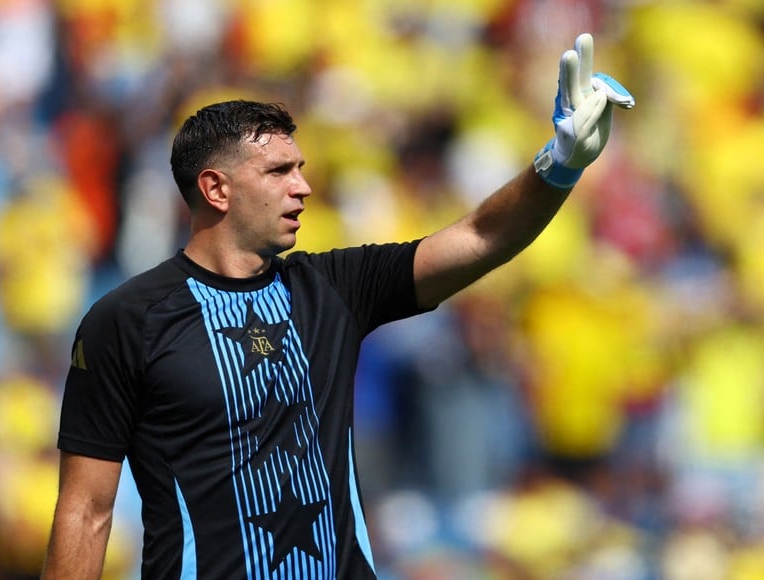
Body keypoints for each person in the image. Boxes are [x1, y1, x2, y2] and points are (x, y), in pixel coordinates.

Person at [42, 33, 633, 579]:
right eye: (279, 171)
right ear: (215, 188)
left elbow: (481, 236)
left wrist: (559, 166)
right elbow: (86, 511)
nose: (302, 186)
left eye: (301, 168)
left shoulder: (333, 288)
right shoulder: (126, 320)